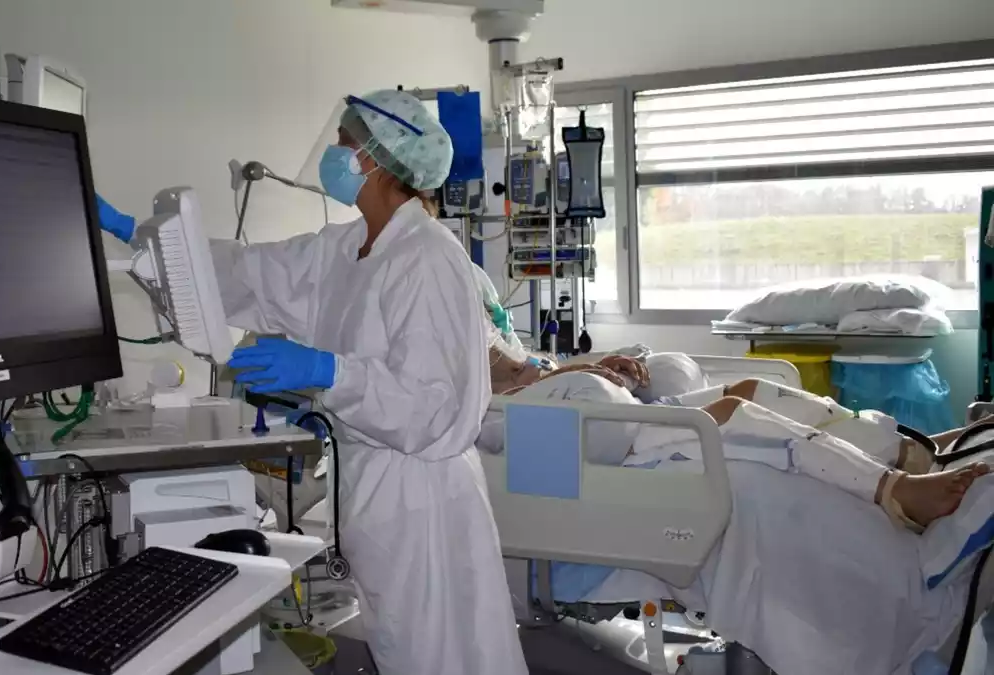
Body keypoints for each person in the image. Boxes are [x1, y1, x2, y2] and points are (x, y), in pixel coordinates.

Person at [212, 91, 528, 675]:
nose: (334, 153)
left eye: (343, 142)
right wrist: (147, 242)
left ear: (376, 159)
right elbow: (257, 274)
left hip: (425, 499)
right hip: (378, 494)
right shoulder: (349, 248)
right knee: (409, 651)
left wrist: (327, 370)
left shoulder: (427, 258)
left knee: (443, 657)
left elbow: (433, 407)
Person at [482, 324, 990, 532]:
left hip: (602, 403)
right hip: (582, 432)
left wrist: (593, 363)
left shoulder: (480, 314)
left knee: (749, 388)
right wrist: (579, 377)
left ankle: (907, 450)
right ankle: (893, 490)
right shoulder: (445, 353)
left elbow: (533, 366)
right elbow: (496, 401)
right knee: (734, 418)